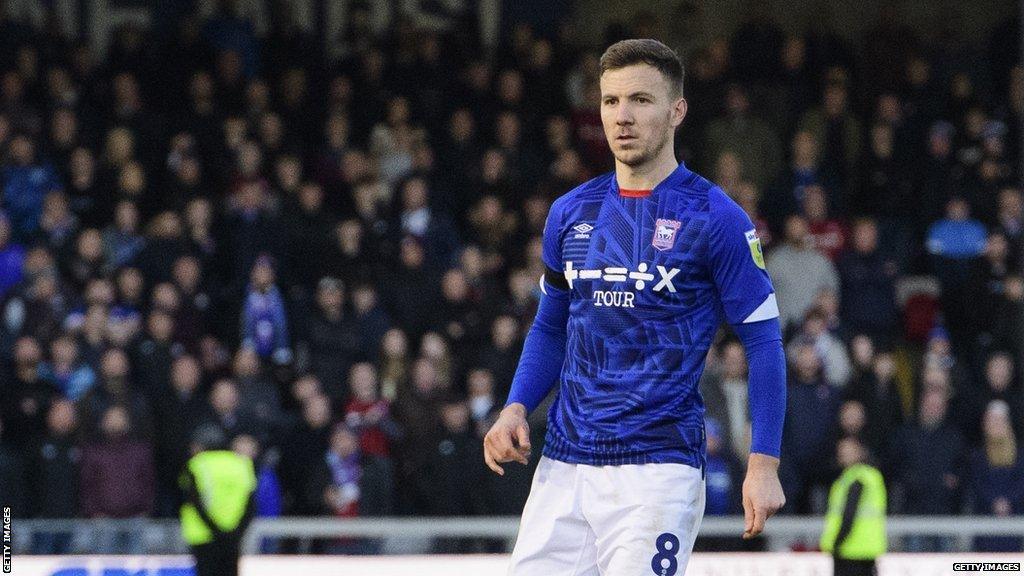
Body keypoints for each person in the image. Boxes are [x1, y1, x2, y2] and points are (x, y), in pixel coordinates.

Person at [484, 39, 787, 576]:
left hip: (657, 468)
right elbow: (552, 324)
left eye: (641, 100)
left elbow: (763, 342)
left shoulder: (717, 218)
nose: (622, 116)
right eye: (610, 101)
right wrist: (514, 406)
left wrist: (763, 463)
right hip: (564, 462)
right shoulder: (570, 212)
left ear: (677, 110)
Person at [179, 424, 257, 576]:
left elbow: (194, 502)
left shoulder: (196, 465)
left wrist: (215, 530)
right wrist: (236, 532)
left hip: (203, 536)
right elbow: (251, 505)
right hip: (234, 537)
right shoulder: (242, 464)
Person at [820, 437, 887, 576]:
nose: (843, 455)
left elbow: (849, 513)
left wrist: (836, 543)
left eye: (848, 451)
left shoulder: (857, 478)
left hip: (849, 551)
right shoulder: (868, 476)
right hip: (867, 549)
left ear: (860, 452)